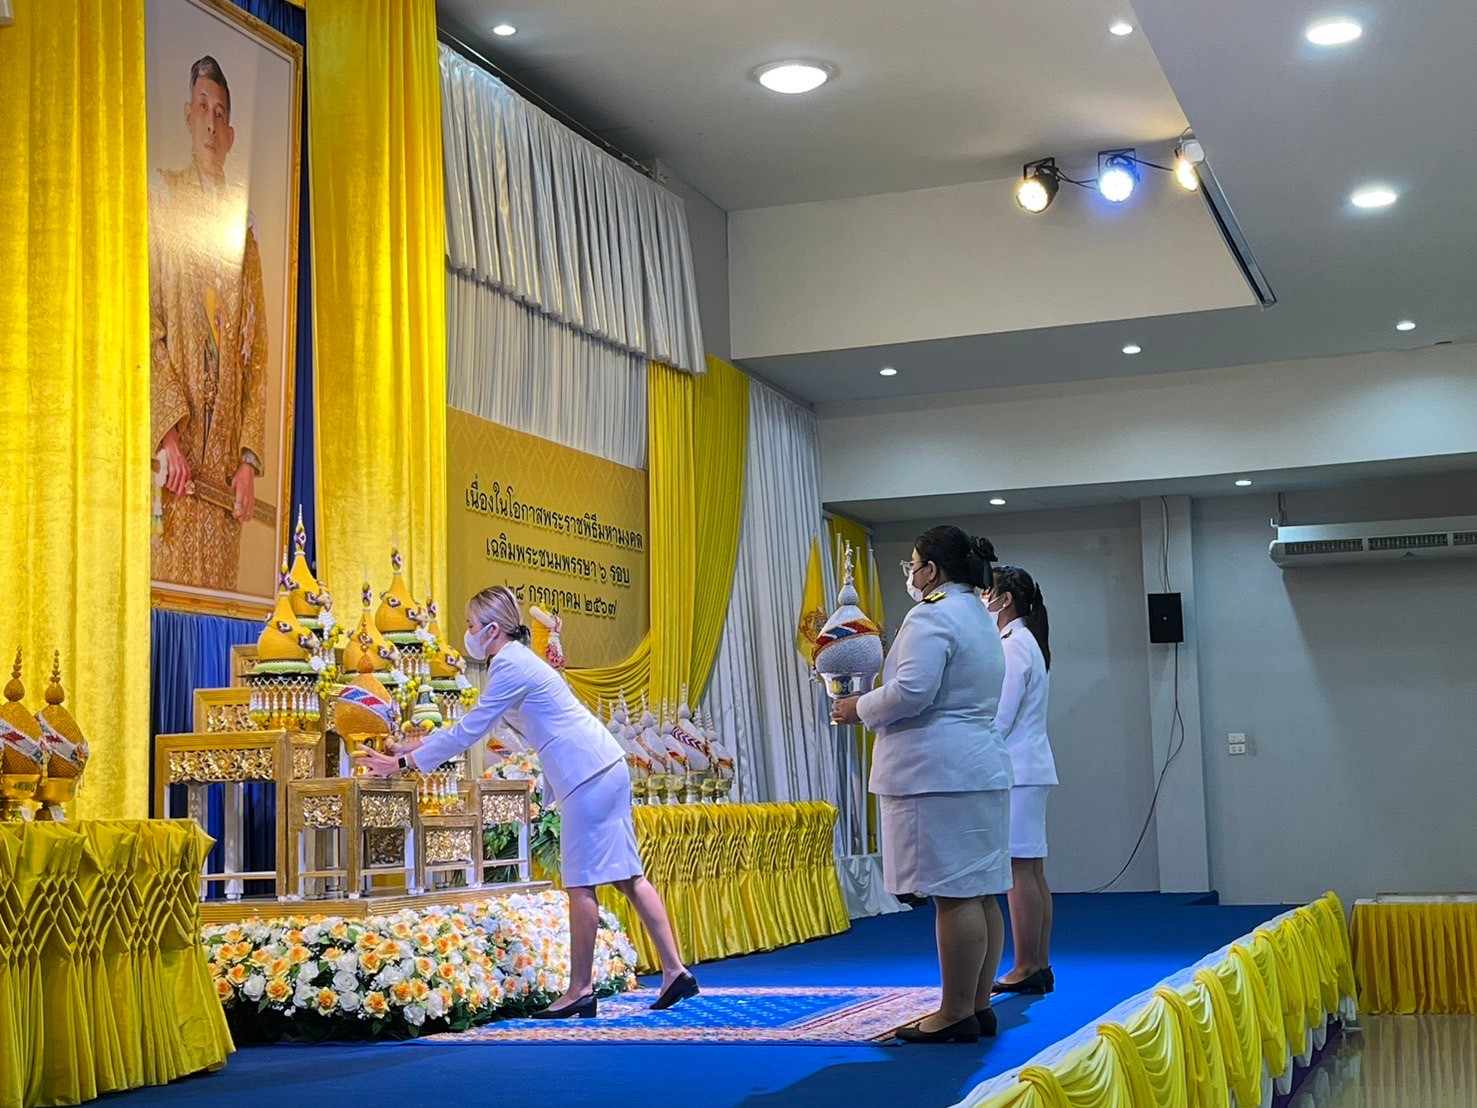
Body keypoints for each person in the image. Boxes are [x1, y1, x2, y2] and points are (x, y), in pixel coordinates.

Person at [353, 585, 699, 1018]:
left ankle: (580, 989)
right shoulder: (517, 663)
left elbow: (470, 732)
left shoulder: (510, 668)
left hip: (587, 774)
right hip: (603, 765)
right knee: (629, 875)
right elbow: (483, 727)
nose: (468, 632)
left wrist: (402, 762)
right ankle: (675, 971)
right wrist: (419, 744)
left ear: (492, 630)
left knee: (582, 883)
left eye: (471, 625)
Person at [831, 525, 1012, 1043]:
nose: (910, 575)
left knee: (953, 896)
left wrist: (857, 706)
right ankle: (977, 1006)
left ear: (931, 570)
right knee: (980, 892)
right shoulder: (979, 615)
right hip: (977, 765)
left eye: (912, 564)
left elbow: (911, 691)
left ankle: (954, 1012)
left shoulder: (931, 615)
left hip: (936, 771)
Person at [150, 55, 268, 591]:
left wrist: (247, 461)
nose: (212, 122)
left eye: (221, 112)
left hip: (222, 486)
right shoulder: (164, 200)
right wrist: (167, 431)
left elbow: (258, 356)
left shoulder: (243, 239)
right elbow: (146, 324)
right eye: (203, 108)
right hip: (174, 479)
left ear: (232, 134)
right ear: (188, 116)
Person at [984, 566, 1058, 996]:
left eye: (986, 593)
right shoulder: (1028, 641)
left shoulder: (1013, 646)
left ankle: (1027, 964)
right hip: (1030, 766)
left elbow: (1001, 716)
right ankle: (1038, 962)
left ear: (1005, 598)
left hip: (1018, 768)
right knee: (1031, 868)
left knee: (1020, 871)